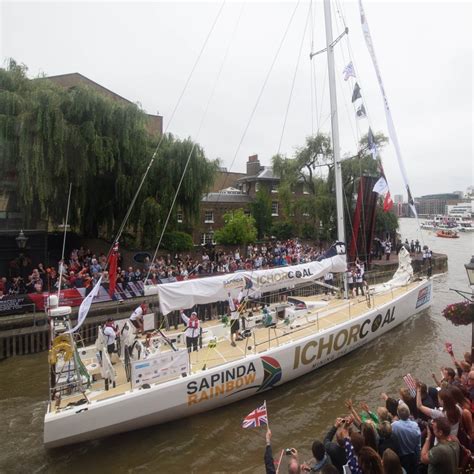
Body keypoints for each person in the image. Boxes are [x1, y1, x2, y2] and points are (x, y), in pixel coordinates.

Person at [390, 404, 421, 474]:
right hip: (413, 455)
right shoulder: (415, 426)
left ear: (398, 414)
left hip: (402, 456)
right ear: (409, 413)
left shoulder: (394, 425)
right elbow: (418, 444)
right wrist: (418, 457)